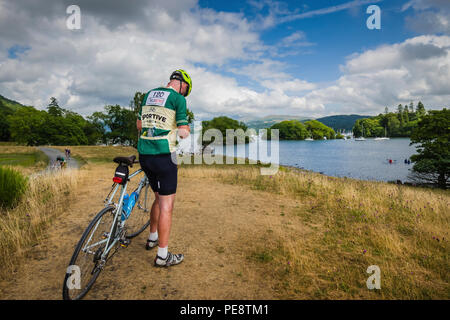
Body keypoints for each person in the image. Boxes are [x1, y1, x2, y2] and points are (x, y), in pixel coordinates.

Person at [136, 69, 192, 267]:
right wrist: (183, 130)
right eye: (186, 91)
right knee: (167, 205)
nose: (184, 94)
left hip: (145, 155)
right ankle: (162, 256)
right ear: (183, 85)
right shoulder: (178, 98)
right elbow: (184, 132)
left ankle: (152, 238)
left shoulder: (148, 94)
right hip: (164, 156)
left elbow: (139, 125)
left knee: (158, 198)